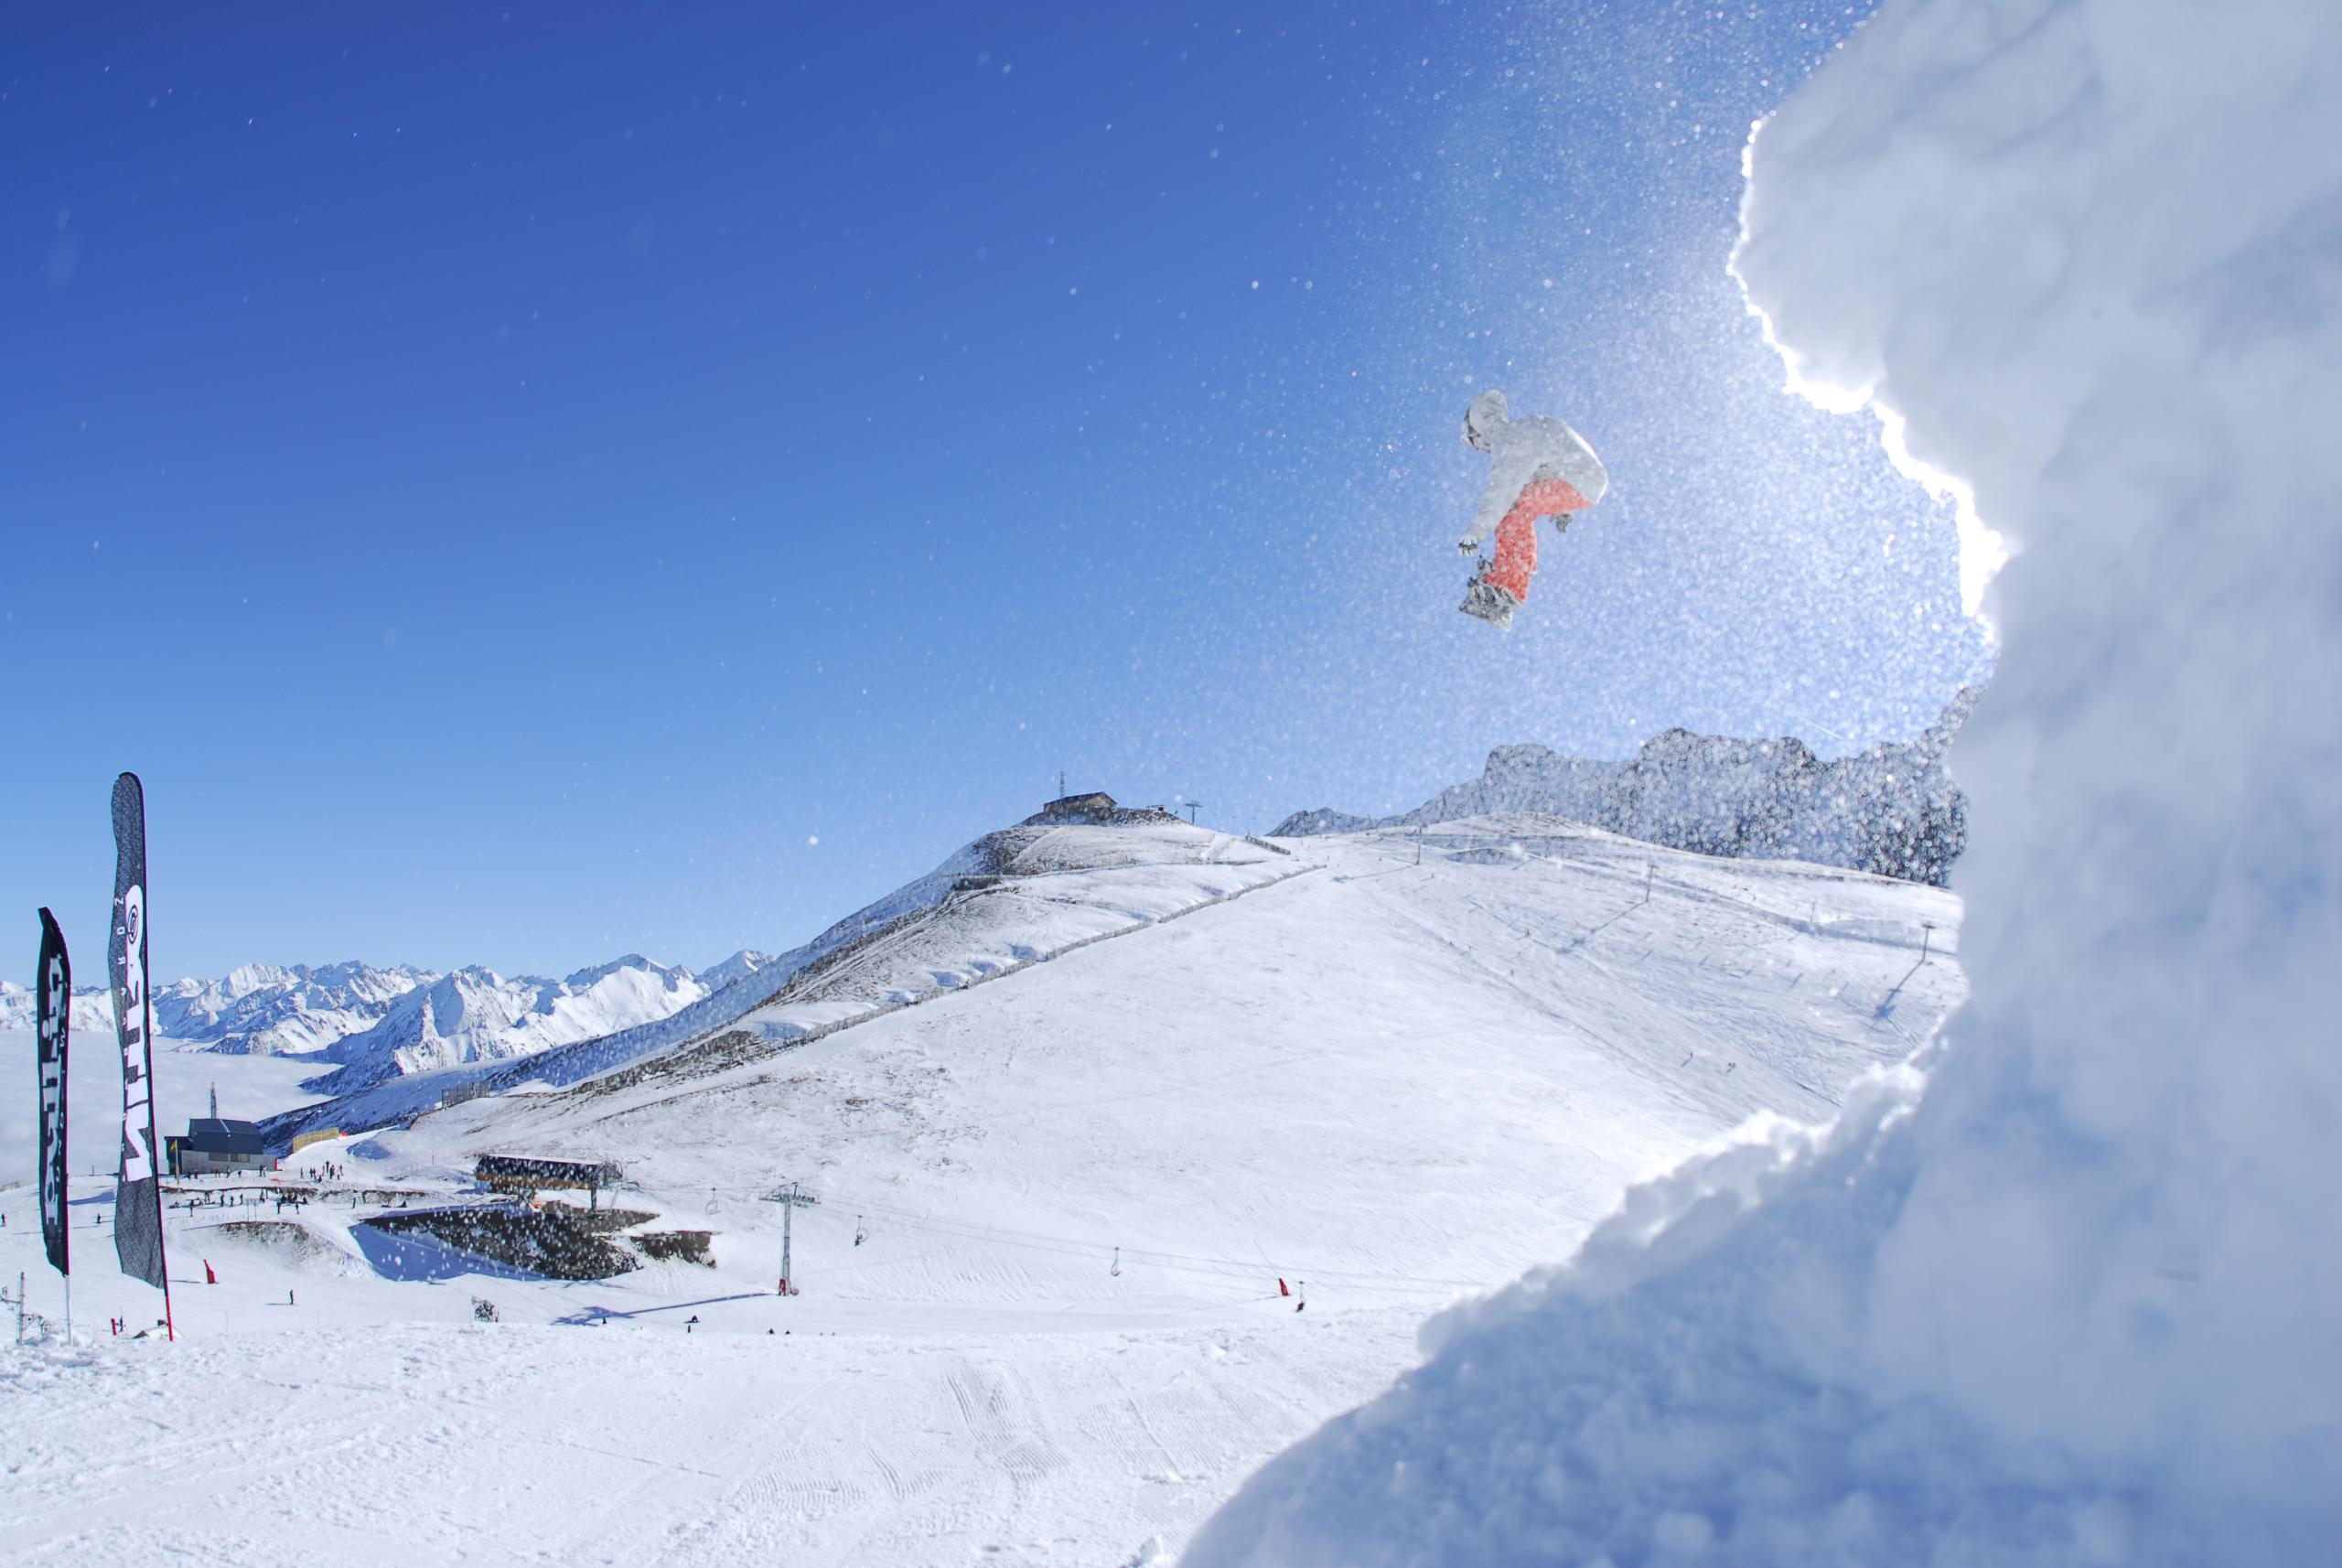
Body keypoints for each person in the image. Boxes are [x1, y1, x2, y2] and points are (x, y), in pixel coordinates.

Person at [1455, 389, 1609, 630]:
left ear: (1478, 428)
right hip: (1582, 477)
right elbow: (1549, 462)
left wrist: (1476, 531)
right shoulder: (1524, 430)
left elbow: (1500, 492)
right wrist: (1561, 508)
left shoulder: (1509, 439)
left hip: (1579, 479)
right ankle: (1507, 576)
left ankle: (1507, 587)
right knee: (1519, 506)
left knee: (1511, 511)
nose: (1480, 448)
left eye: (1473, 441)